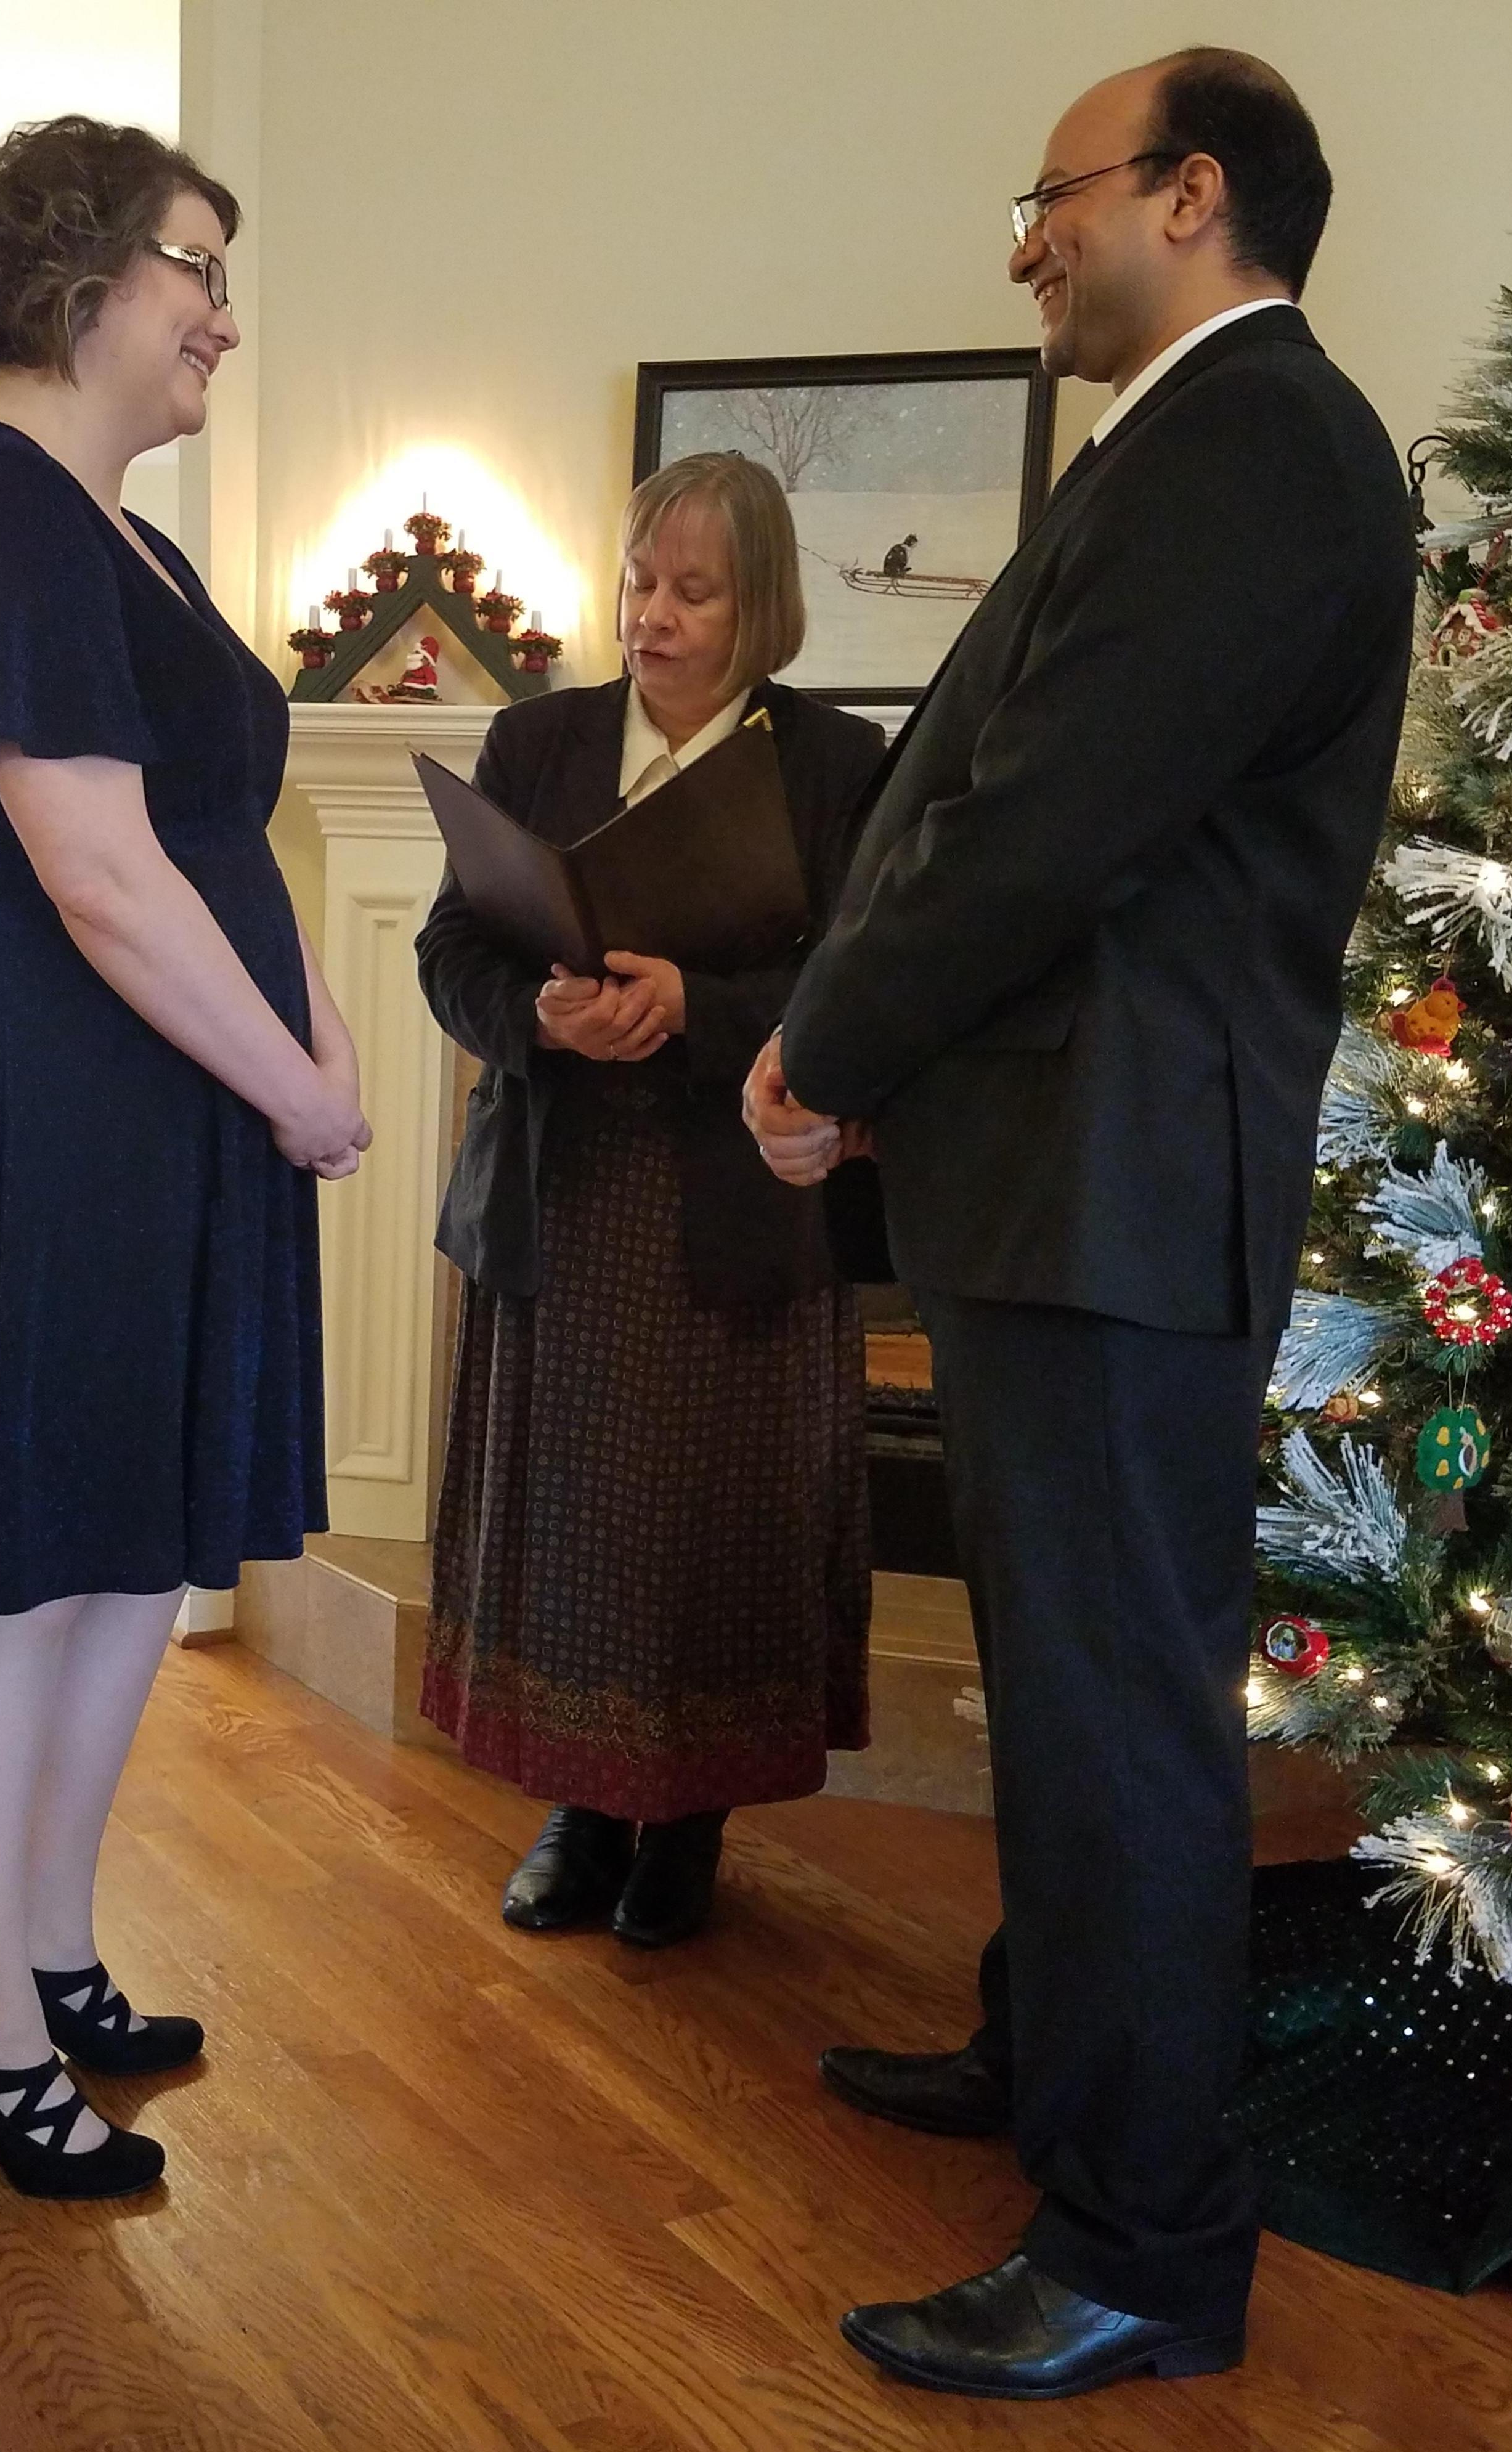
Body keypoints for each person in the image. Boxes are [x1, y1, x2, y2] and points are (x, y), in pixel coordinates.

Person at [747, 50, 1417, 2401]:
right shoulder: (1201, 445)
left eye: (1049, 199)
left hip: (1122, 1188)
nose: (1025, 242)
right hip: (1066, 1174)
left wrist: (827, 1046)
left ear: (1191, 193)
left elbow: (1044, 824)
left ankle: (1143, 2241)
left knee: (1121, 1716)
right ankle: (1056, 2062)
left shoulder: (1265, 445)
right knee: (1060, 1683)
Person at [0, 116, 368, 2201]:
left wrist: (312, 1017)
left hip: (146, 1091)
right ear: (76, 277)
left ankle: (46, 1955)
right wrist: (296, 1087)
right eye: (197, 265)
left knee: (126, 1554)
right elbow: (101, 877)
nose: (224, 313)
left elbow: (212, 841)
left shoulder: (125, 539)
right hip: (44, 1085)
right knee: (24, 1575)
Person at [416, 452, 887, 1949]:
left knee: (715, 1521)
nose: (657, 618)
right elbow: (452, 953)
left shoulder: (834, 767)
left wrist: (702, 1002)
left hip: (738, 1205)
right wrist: (539, 1018)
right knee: (571, 1522)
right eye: (639, 583)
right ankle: (581, 1804)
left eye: (697, 591)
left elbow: (859, 988)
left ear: (765, 607)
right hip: (562, 1196)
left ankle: (689, 1824)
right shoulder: (537, 742)